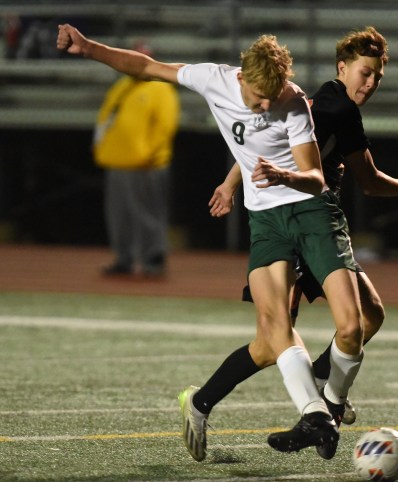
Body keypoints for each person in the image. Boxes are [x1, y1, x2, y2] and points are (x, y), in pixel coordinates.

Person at [57, 24, 364, 463]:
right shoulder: (213, 79)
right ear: (240, 78)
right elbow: (145, 66)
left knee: (353, 325)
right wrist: (88, 49)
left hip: (312, 213)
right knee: (274, 329)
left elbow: (315, 178)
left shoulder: (292, 101)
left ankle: (325, 402)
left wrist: (283, 175)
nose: (264, 105)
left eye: (271, 98)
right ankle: (315, 413)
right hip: (267, 223)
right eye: (258, 96)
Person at [209, 26, 398, 425]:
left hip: (310, 221)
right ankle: (213, 401)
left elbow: (261, 145)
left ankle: (318, 383)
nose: (370, 84)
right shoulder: (340, 110)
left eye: (377, 77)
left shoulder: (317, 100)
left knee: (345, 322)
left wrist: (230, 184)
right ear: (343, 67)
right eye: (364, 74)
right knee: (280, 340)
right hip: (303, 225)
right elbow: (369, 182)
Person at [94, 40, 180, 277]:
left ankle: (153, 259)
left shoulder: (161, 88)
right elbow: (106, 117)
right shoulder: (122, 85)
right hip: (118, 161)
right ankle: (124, 258)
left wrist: (150, 155)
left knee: (147, 214)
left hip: (146, 165)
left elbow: (165, 127)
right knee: (119, 215)